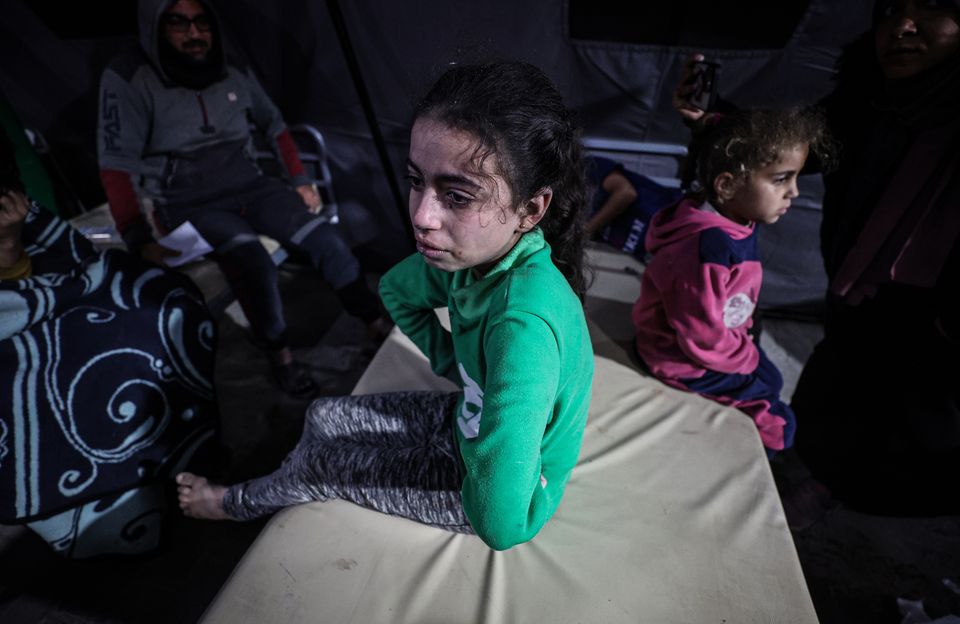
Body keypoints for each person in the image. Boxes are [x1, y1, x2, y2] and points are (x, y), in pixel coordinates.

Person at [176, 60, 595, 551]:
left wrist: (483, 438)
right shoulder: (476, 259)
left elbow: (502, 525)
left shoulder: (521, 328)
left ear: (530, 209)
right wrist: (459, 368)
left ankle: (230, 503)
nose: (421, 215)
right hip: (467, 416)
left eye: (457, 195)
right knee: (323, 416)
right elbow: (397, 290)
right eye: (417, 180)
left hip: (501, 494)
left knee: (321, 465)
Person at [673, 0, 960, 516]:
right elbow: (799, 147)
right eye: (891, 11)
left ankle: (880, 514)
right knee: (838, 387)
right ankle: (817, 479)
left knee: (921, 413)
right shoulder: (870, 98)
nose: (903, 28)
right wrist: (714, 118)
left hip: (938, 302)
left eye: (931, 9)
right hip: (858, 281)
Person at [97, 0, 388, 398]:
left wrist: (299, 179)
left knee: (326, 240)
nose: (194, 34)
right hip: (186, 201)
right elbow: (116, 165)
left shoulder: (230, 67)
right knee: (252, 262)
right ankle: (281, 356)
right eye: (178, 23)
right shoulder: (130, 77)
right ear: (155, 28)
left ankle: (374, 323)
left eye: (202, 22)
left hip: (250, 185)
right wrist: (137, 236)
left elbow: (274, 124)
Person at [0, 122, 217, 557]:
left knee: (161, 307)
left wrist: (11, 245)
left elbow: (73, 261)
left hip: (48, 298)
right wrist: (7, 248)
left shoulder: (24, 215)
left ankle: (172, 463)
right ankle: (101, 518)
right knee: (42, 385)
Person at [632, 108, 834, 456]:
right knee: (779, 421)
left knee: (773, 379)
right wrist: (745, 358)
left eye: (795, 179)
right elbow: (700, 335)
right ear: (726, 185)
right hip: (679, 357)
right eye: (781, 179)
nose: (794, 193)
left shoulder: (736, 219)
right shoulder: (705, 249)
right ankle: (764, 465)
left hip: (722, 341)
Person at [585, 154, 682, 262]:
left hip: (669, 222)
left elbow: (626, 193)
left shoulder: (585, 168)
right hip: (648, 254)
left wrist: (586, 231)